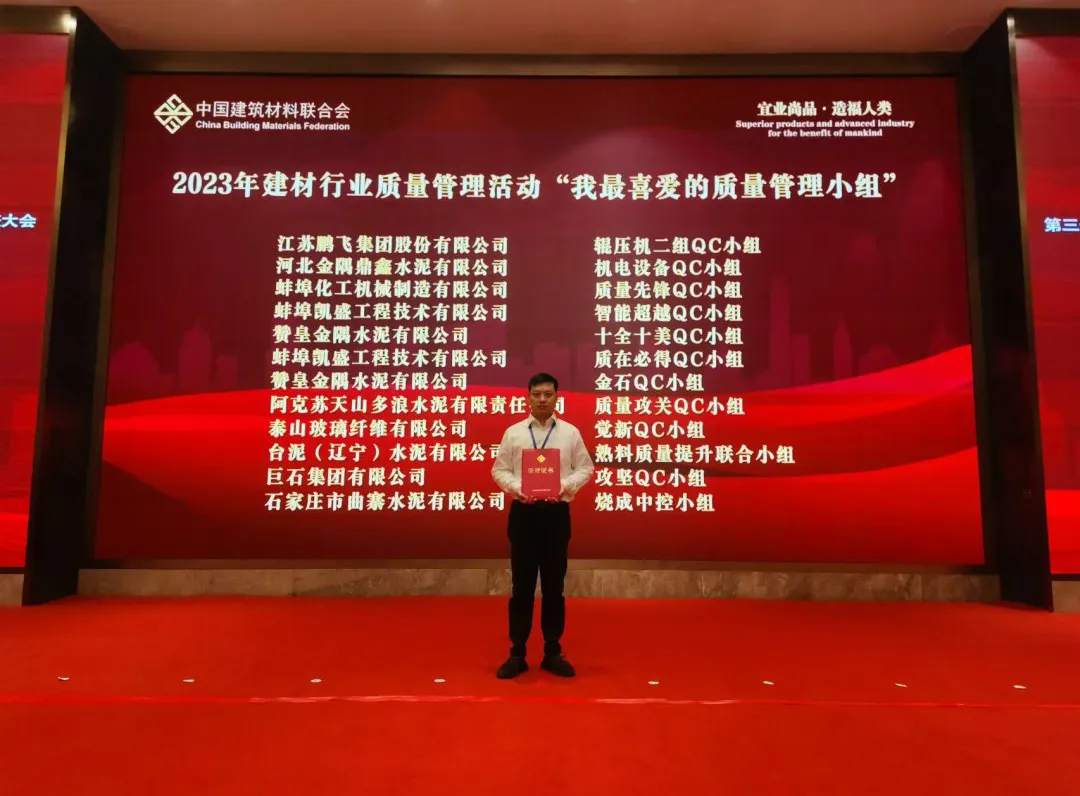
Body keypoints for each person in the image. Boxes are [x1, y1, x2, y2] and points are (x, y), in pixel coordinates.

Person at [491, 372, 594, 679]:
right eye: (536, 394)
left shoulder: (570, 433)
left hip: (555, 516)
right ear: (528, 397)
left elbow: (585, 468)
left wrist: (563, 486)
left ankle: (552, 652)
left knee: (553, 587)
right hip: (523, 515)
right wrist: (517, 488)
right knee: (521, 587)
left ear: (557, 397)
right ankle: (517, 653)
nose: (542, 399)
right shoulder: (514, 433)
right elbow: (499, 470)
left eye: (548, 394)